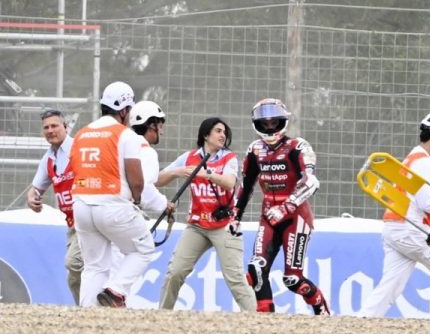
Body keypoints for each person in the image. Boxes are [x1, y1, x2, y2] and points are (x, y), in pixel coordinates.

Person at [359, 111, 430, 318]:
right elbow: (426, 204)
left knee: (389, 286)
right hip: (411, 230)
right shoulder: (424, 162)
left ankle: (363, 320)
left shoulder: (412, 157)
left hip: (393, 228)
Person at [233, 98, 330, 315]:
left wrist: (285, 208)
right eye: (264, 123)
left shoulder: (298, 146)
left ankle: (319, 305)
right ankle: (265, 318)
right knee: (256, 269)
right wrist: (235, 216)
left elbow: (311, 182)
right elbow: (245, 186)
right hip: (268, 216)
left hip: (297, 217)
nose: (269, 127)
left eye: (273, 122)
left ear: (282, 121)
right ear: (256, 125)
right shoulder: (254, 150)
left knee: (292, 279)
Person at [68, 81, 158, 308]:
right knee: (143, 248)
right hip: (112, 204)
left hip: (81, 205)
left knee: (94, 265)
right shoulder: (124, 134)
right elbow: (136, 179)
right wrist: (136, 199)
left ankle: (88, 313)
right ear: (124, 109)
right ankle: (116, 291)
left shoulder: (81, 134)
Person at [157, 117, 256, 312]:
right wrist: (179, 171)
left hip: (225, 225)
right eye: (218, 131)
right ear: (205, 135)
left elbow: (229, 182)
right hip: (197, 227)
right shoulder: (189, 157)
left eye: (224, 132)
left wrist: (206, 174)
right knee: (174, 272)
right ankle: (162, 316)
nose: (223, 135)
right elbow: (157, 180)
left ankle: (258, 320)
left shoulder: (229, 157)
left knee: (235, 278)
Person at [26, 108, 82, 303]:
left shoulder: (79, 150)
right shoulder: (48, 158)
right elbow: (34, 189)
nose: (50, 130)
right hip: (72, 225)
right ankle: (91, 312)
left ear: (65, 127)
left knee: (74, 264)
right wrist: (32, 199)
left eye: (54, 126)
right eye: (46, 127)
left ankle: (98, 307)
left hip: (90, 221)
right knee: (75, 278)